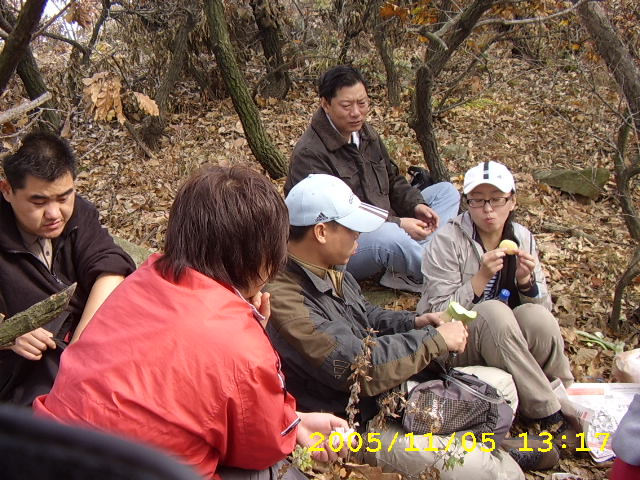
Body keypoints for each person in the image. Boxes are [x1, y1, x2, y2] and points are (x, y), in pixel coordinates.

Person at [34, 166, 349, 479]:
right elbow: (262, 446)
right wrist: (253, 339)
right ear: (263, 257)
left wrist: (293, 420)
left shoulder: (141, 280)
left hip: (43, 453)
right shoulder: (241, 346)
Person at [265, 173, 557, 478]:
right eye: (352, 228)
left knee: (503, 384)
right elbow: (355, 367)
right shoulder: (285, 298)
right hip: (354, 423)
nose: (359, 236)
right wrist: (433, 340)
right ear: (322, 232)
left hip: (390, 396)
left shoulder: (330, 269)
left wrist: (415, 321)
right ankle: (496, 455)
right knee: (484, 470)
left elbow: (367, 316)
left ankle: (481, 445)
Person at [417, 161, 575, 432]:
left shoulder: (522, 237)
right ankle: (548, 415)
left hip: (506, 341)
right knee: (493, 312)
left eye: (497, 199)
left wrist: (525, 282)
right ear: (467, 204)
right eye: (478, 200)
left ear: (512, 201)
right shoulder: (448, 240)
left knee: (537, 317)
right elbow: (438, 312)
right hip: (455, 343)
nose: (488, 209)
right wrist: (480, 278)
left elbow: (544, 308)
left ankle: (568, 398)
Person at [284, 65, 460, 292]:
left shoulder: (365, 133)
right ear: (325, 104)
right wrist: (399, 224)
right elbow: (332, 223)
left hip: (386, 220)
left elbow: (392, 178)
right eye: (347, 106)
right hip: (347, 242)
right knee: (390, 236)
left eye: (362, 103)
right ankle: (444, 275)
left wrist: (416, 205)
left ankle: (405, 268)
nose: (356, 113)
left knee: (446, 192)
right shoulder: (310, 153)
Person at [0, 132, 136, 406]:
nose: (54, 214)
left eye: (63, 197)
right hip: (26, 375)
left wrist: (79, 351)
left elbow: (110, 267)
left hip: (86, 353)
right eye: (39, 202)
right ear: (7, 191)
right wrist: (7, 332)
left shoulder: (78, 213)